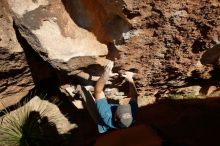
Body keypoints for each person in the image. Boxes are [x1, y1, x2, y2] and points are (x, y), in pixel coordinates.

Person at [94, 61, 138, 133]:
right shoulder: (133, 116)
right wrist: (130, 79)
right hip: (117, 119)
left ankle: (103, 127)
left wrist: (105, 74)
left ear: (114, 117)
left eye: (120, 108)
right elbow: (134, 97)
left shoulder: (107, 115)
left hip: (106, 121)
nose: (123, 105)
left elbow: (98, 91)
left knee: (95, 106)